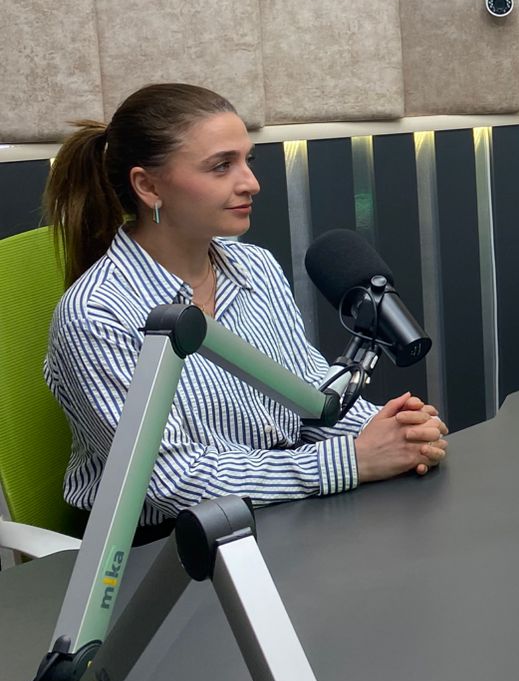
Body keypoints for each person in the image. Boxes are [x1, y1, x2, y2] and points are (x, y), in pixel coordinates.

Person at [43, 83, 448, 530]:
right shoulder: (96, 314)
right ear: (148, 186)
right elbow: (171, 480)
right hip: (168, 542)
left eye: (247, 160)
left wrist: (396, 431)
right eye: (221, 166)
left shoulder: (254, 266)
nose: (251, 183)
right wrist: (351, 460)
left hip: (281, 507)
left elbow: (307, 399)